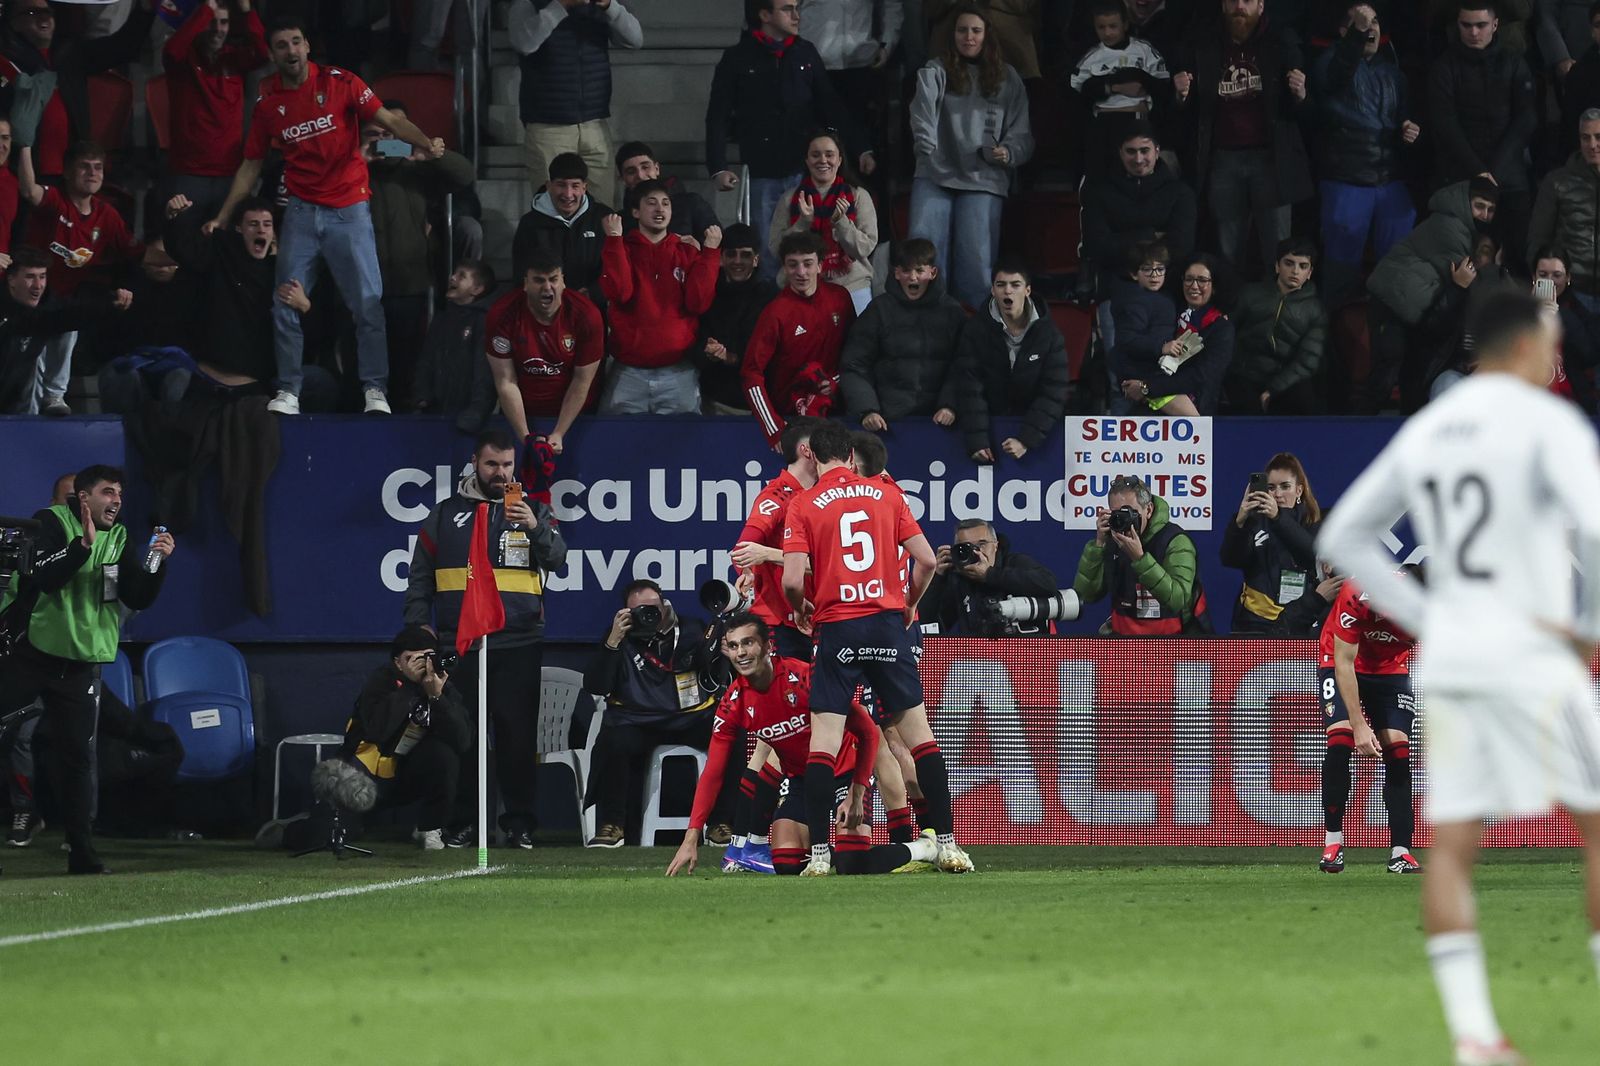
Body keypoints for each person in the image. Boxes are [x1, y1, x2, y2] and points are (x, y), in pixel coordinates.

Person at [1315, 287, 1600, 1066]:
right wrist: (1587, 633)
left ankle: (1475, 1037)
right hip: (1536, 647)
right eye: (1551, 343)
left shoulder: (1433, 428)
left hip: (1458, 655)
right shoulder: (1551, 423)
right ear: (1524, 348)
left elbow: (1344, 535)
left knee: (1452, 844)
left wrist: (1430, 616)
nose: (1556, 356)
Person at [205, 16, 444, 417]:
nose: (291, 51)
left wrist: (424, 143)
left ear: (307, 46)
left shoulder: (344, 87)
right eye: (282, 45)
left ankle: (375, 389)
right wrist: (225, 214)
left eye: (296, 42)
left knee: (368, 305)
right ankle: (289, 390)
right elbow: (251, 162)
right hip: (301, 211)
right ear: (273, 53)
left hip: (351, 209)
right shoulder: (268, 101)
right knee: (284, 301)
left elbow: (393, 130)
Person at [780, 420, 973, 875]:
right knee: (920, 738)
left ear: (812, 456)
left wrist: (801, 608)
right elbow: (926, 559)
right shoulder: (888, 494)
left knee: (824, 743)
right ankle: (946, 844)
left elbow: (790, 579)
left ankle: (821, 856)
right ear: (850, 457)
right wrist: (909, 604)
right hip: (887, 626)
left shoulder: (803, 504)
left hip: (838, 629)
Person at [665, 613, 942, 877]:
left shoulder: (806, 678)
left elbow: (868, 731)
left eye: (748, 643)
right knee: (786, 863)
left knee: (852, 865)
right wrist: (691, 837)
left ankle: (925, 848)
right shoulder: (733, 703)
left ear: (767, 646)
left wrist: (857, 791)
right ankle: (819, 853)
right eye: (734, 646)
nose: (741, 653)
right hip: (801, 781)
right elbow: (713, 772)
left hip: (845, 772)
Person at [0, 465, 174, 875]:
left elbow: (138, 595)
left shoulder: (121, 537)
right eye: (107, 492)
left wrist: (157, 561)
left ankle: (81, 852)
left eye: (120, 494)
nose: (116, 500)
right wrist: (81, 544)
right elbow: (43, 576)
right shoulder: (49, 522)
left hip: (79, 664)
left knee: (78, 757)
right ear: (84, 499)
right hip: (29, 654)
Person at [404, 430, 567, 849]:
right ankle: (464, 823)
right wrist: (422, 628)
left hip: (518, 642)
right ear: (475, 461)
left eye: (508, 465)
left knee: (516, 739)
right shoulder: (444, 514)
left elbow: (559, 560)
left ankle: (519, 824)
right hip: (459, 644)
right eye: (493, 464)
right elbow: (420, 578)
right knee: (463, 736)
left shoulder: (533, 511)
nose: (501, 473)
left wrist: (535, 528)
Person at [706, 0, 870, 282]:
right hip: (762, 168)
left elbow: (831, 104)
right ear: (765, 14)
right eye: (787, 9)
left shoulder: (804, 52)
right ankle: (775, 309)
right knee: (771, 246)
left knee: (811, 243)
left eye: (797, 7)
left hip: (802, 167)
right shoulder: (738, 56)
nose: (796, 15)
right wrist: (718, 167)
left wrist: (861, 147)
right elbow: (718, 115)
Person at [583, 580, 737, 847]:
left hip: (690, 716)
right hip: (637, 720)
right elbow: (596, 686)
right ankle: (612, 825)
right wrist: (612, 642)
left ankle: (721, 823)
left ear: (665, 604)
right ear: (627, 613)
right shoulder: (620, 635)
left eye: (653, 607)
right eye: (639, 610)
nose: (649, 614)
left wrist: (724, 655)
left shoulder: (692, 630)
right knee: (613, 741)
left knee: (732, 734)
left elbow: (714, 675)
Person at [908, 2, 1033, 308]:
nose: (968, 37)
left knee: (976, 262)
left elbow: (1023, 135)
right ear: (952, 34)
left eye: (975, 30)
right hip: (935, 173)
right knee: (924, 255)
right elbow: (921, 116)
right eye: (962, 30)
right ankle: (924, 320)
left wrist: (1008, 153)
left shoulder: (1008, 78)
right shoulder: (935, 71)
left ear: (987, 35)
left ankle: (975, 330)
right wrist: (926, 146)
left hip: (984, 177)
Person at [1173, 0, 1311, 272]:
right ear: (1222, 6)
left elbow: (1310, 113)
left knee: (1278, 247)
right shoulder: (1203, 43)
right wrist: (1180, 96)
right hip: (1223, 158)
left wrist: (1301, 96)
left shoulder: (1282, 42)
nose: (1239, 6)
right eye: (1232, 1)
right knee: (1228, 249)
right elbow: (1184, 113)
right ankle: (1230, 309)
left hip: (1271, 159)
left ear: (1261, 6)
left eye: (1247, 1)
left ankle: (1277, 312)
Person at [360, 102, 477, 410]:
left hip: (409, 282)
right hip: (360, 285)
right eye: (380, 132)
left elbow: (465, 175)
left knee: (407, 363)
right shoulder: (354, 166)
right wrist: (360, 157)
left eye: (396, 131)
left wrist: (432, 154)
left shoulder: (418, 170)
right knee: (362, 368)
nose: (388, 138)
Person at [17, 140, 141, 416]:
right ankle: (28, 409)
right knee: (36, 339)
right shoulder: (56, 200)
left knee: (72, 318)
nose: (92, 173)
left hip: (64, 298)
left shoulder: (106, 215)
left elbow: (136, 253)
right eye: (84, 167)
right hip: (30, 297)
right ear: (67, 172)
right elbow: (29, 190)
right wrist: (24, 144)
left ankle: (55, 396)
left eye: (98, 167)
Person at [1309, 2, 1421, 310]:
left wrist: (1408, 129)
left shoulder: (1394, 74)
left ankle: (1390, 329)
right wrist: (1355, 37)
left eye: (1373, 23)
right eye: (1360, 24)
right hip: (1347, 180)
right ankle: (1335, 337)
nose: (1369, 29)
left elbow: (1404, 118)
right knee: (1341, 271)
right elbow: (1335, 76)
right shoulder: (1329, 63)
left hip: (1390, 180)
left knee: (1397, 269)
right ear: (1344, 32)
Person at [1315, 572, 1422, 876]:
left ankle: (1401, 853)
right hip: (1341, 660)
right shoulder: (1356, 593)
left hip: (1389, 669)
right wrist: (1360, 725)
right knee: (1341, 740)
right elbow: (1344, 663)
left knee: (1398, 752)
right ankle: (1333, 844)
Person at [1365, 178, 1499, 413]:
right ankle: (1356, 432)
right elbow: (1470, 283)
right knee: (1386, 372)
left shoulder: (1461, 227)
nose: (1484, 215)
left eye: (1490, 210)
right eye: (1479, 206)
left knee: (1406, 372)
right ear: (1464, 203)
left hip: (1409, 307)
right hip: (1391, 303)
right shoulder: (1451, 227)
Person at [341, 626, 473, 850]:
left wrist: (436, 697)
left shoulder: (440, 684)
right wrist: (410, 688)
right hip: (366, 774)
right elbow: (378, 732)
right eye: (413, 657)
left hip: (407, 774)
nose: (422, 664)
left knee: (444, 755)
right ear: (397, 662)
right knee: (331, 832)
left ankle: (430, 827)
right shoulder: (381, 681)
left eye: (428, 656)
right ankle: (288, 828)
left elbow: (463, 740)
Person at [1429, 2, 1537, 270]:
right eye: (1466, 25)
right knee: (1460, 256)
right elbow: (1445, 124)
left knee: (1518, 250)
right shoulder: (1444, 66)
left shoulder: (1514, 62)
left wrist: (1494, 170)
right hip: (1461, 173)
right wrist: (1478, 170)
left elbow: (1527, 118)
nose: (1473, 32)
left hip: (1508, 171)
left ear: (1495, 25)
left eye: (1481, 25)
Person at [598, 183, 722, 414]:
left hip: (679, 372)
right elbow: (619, 292)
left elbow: (699, 303)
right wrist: (614, 239)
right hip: (628, 372)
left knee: (682, 447)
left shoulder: (686, 251)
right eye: (651, 202)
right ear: (635, 212)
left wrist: (711, 254)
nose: (660, 209)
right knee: (618, 444)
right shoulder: (621, 248)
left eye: (666, 203)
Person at [0, 0, 154, 182]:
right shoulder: (6, 62)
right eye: (32, 13)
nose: (44, 18)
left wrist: (145, 8)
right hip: (21, 174)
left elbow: (123, 47)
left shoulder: (69, 54)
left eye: (48, 12)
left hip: (72, 174)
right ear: (13, 22)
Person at [508, 0, 642, 207]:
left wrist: (609, 6)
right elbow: (524, 42)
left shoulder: (600, 5)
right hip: (548, 125)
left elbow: (635, 39)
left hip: (595, 123)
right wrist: (561, 5)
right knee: (553, 211)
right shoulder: (528, 3)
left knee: (604, 210)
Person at [741, 231, 857, 447]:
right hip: (791, 420)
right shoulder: (775, 312)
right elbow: (751, 373)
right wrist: (774, 428)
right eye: (793, 265)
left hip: (838, 415)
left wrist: (835, 382)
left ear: (820, 265)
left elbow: (857, 355)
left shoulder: (840, 298)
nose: (801, 272)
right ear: (784, 268)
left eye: (808, 263)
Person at [485, 247, 604, 454]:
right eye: (539, 280)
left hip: (576, 418)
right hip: (521, 416)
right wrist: (525, 436)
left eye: (553, 279)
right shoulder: (502, 314)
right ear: (525, 283)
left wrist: (559, 432)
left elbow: (582, 381)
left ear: (563, 281)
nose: (548, 287)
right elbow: (506, 382)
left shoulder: (587, 315)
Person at [840, 237, 967, 430]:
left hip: (940, 425)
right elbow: (854, 365)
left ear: (932, 273)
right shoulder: (878, 310)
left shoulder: (952, 312)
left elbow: (965, 364)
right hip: (887, 424)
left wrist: (950, 405)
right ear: (896, 273)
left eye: (919, 271)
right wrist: (867, 410)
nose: (913, 278)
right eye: (906, 270)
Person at [952, 261, 1070, 464]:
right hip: (988, 430)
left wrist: (1026, 440)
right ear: (992, 290)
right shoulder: (975, 330)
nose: (1008, 291)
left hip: (1033, 436)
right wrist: (977, 440)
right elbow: (969, 388)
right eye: (1001, 285)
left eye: (1015, 285)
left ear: (1027, 290)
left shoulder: (1049, 335)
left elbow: (1053, 392)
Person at [161, 0, 269, 219]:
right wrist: (205, 9)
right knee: (187, 242)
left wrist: (247, 9)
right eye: (211, 22)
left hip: (230, 173)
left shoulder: (234, 59)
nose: (218, 29)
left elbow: (263, 53)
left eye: (224, 22)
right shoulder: (183, 61)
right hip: (189, 173)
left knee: (223, 243)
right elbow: (172, 51)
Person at [1072, 473, 1211, 635]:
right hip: (1124, 639)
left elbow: (1177, 600)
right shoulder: (1112, 539)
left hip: (1174, 640)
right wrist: (1098, 545)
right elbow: (1087, 595)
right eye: (1117, 514)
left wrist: (1140, 558)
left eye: (1130, 512)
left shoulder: (1176, 541)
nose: (1124, 520)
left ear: (1149, 510)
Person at [730, 417, 821, 661]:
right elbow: (742, 548)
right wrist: (747, 571)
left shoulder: (820, 496)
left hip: (817, 620)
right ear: (807, 451)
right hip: (782, 625)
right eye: (822, 445)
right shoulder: (778, 495)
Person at [0, 245, 131, 415]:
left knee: (67, 325)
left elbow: (69, 314)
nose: (38, 285)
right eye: (30, 277)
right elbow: (29, 321)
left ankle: (53, 396)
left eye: (42, 276)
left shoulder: (49, 302)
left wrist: (111, 303)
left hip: (17, 393)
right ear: (11, 279)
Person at [1078, 123, 1196, 297]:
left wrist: (1122, 239)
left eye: (1144, 150)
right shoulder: (1099, 192)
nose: (1138, 159)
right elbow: (1097, 246)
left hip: (1167, 288)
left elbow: (1181, 247)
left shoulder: (1180, 193)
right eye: (1131, 151)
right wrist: (1150, 235)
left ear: (1157, 151)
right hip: (1114, 286)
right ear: (1120, 152)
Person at [768, 129, 879, 314]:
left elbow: (865, 248)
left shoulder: (858, 195)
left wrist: (841, 222)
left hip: (851, 285)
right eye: (815, 155)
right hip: (801, 285)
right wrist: (802, 224)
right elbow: (775, 249)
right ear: (806, 160)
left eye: (829, 155)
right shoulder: (790, 198)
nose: (823, 160)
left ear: (840, 159)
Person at [1117, 251, 1234, 416]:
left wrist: (1147, 387)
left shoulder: (1221, 328)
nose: (1194, 286)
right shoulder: (1168, 310)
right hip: (1149, 402)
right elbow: (1133, 346)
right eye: (1189, 279)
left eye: (1202, 280)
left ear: (1214, 287)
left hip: (1193, 411)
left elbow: (1201, 376)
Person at [1067, 0, 1172, 181]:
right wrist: (1114, 87)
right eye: (1101, 27)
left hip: (1138, 121)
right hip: (1103, 124)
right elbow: (1079, 90)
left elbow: (1162, 84)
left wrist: (1140, 77)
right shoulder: (1091, 57)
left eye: (1113, 26)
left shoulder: (1144, 50)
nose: (1107, 32)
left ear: (1125, 24)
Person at [1224, 237, 1328, 414]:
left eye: (1303, 266)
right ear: (1277, 266)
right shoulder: (1250, 294)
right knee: (1245, 410)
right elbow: (1227, 333)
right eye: (1289, 263)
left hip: (1285, 376)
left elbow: (1308, 359)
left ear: (1310, 273)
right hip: (1244, 372)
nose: (1295, 271)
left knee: (1304, 402)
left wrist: (1273, 390)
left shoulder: (1315, 309)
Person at [1220, 453, 1321, 634]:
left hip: (1300, 623)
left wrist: (1278, 518)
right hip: (1253, 624)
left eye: (1285, 486)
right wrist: (1240, 521)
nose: (1278, 494)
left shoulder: (1313, 522)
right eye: (1271, 488)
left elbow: (1311, 556)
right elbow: (1231, 559)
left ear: (1299, 490)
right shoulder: (1254, 522)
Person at [919, 518, 1059, 636]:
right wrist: (937, 579)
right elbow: (930, 626)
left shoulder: (1014, 563)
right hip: (979, 661)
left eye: (982, 544)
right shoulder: (959, 579)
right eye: (967, 547)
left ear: (996, 546)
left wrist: (989, 574)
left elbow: (1049, 584)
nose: (976, 552)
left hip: (1024, 655)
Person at [694, 222, 777, 414]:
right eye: (731, 254)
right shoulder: (709, 295)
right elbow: (694, 339)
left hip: (761, 403)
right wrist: (708, 350)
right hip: (715, 400)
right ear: (721, 258)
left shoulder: (771, 298)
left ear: (756, 260)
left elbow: (772, 352)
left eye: (746, 255)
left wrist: (731, 357)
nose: (738, 261)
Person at [510, 152, 613, 303]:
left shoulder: (603, 218)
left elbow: (614, 267)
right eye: (561, 185)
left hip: (592, 306)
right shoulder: (530, 223)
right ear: (549, 186)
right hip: (545, 307)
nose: (568, 194)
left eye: (575, 186)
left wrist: (593, 293)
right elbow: (521, 274)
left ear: (585, 188)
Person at [1529, 109, 1600, 311]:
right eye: (1585, 138)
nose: (1592, 145)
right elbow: (1537, 239)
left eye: (1598, 137)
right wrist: (1542, 287)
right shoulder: (1557, 182)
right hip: (1569, 292)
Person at [413, 260, 498, 427]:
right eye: (454, 273)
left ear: (477, 289)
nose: (452, 278)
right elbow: (426, 359)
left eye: (462, 276)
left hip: (467, 417)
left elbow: (484, 372)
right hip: (433, 414)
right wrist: (421, 394)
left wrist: (477, 411)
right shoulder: (441, 319)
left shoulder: (484, 322)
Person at [1107, 240, 1182, 415]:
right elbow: (1127, 340)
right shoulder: (1134, 302)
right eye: (1147, 269)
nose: (1154, 275)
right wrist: (1162, 347)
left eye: (1160, 269)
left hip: (1156, 375)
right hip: (1137, 377)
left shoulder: (1166, 298)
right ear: (1134, 274)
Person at [613, 140, 718, 239]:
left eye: (645, 167)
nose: (640, 175)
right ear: (622, 179)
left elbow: (718, 245)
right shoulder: (619, 220)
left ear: (657, 169)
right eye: (631, 171)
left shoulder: (691, 203)